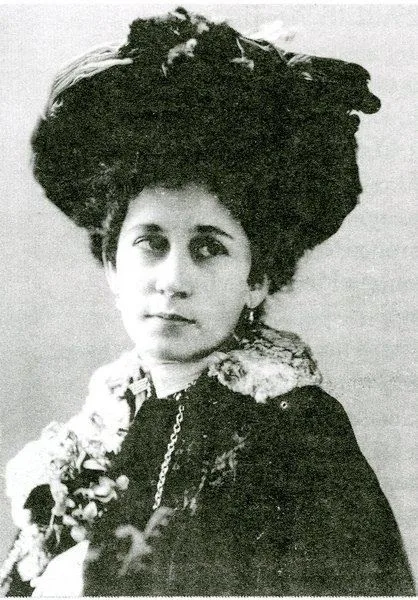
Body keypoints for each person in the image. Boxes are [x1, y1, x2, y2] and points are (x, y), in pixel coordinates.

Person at [0, 7, 414, 597]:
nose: (173, 280)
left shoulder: (296, 438)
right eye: (150, 243)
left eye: (208, 248)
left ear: (257, 279)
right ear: (112, 266)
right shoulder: (95, 437)